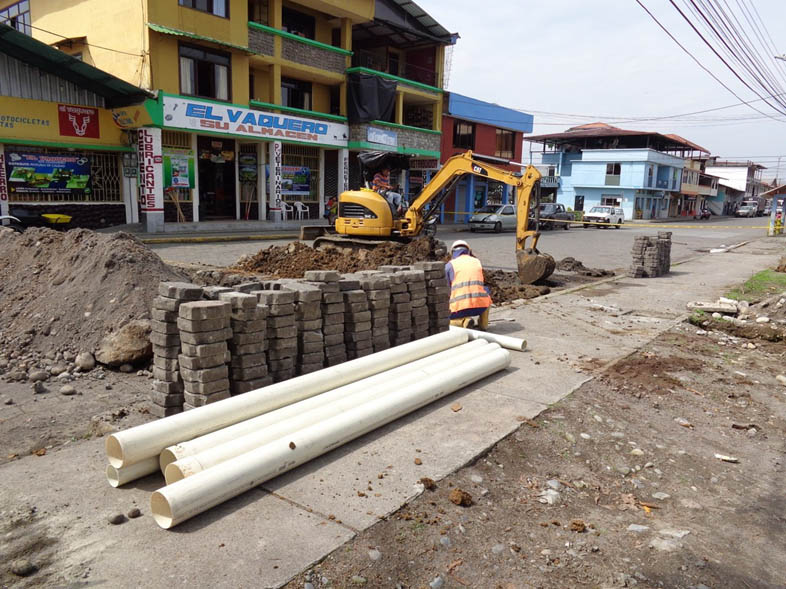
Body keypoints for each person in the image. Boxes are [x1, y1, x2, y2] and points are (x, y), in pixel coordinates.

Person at [445, 240, 492, 330]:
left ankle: (463, 322)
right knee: (486, 290)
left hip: (459, 309)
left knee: (445, 323)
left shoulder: (449, 266)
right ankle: (483, 323)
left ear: (453, 253)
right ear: (468, 251)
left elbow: (446, 289)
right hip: (480, 306)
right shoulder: (477, 262)